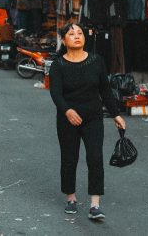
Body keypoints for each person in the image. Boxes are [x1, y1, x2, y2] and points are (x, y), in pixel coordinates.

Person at [48, 22, 126, 220]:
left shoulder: (96, 61)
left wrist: (116, 114)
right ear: (64, 40)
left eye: (80, 33)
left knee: (95, 157)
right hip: (68, 119)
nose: (77, 36)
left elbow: (105, 90)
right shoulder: (58, 65)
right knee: (69, 158)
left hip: (93, 117)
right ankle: (71, 198)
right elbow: (56, 93)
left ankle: (95, 204)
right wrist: (67, 111)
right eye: (71, 33)